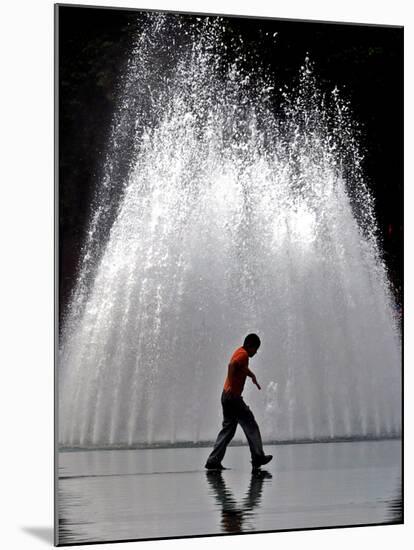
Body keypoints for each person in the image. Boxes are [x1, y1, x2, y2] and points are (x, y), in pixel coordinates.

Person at [205, 333, 273, 471]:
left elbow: (240, 367)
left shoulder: (240, 352)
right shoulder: (243, 355)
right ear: (250, 346)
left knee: (228, 430)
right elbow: (231, 365)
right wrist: (230, 384)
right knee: (251, 424)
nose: (256, 352)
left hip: (226, 397)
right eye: (255, 349)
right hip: (233, 398)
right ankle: (258, 457)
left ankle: (213, 461)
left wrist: (251, 375)